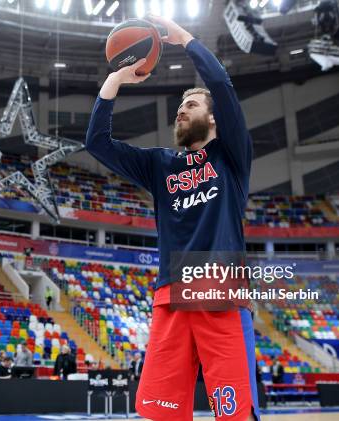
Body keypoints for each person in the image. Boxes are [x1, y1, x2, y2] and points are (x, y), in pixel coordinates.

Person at [85, 15, 256, 421]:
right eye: (180, 106)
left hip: (220, 292)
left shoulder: (231, 156)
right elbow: (96, 142)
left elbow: (222, 88)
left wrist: (185, 40)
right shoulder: (160, 165)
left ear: (213, 118)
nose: (182, 111)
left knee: (234, 414)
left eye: (191, 105)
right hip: (171, 296)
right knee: (159, 413)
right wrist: (117, 79)